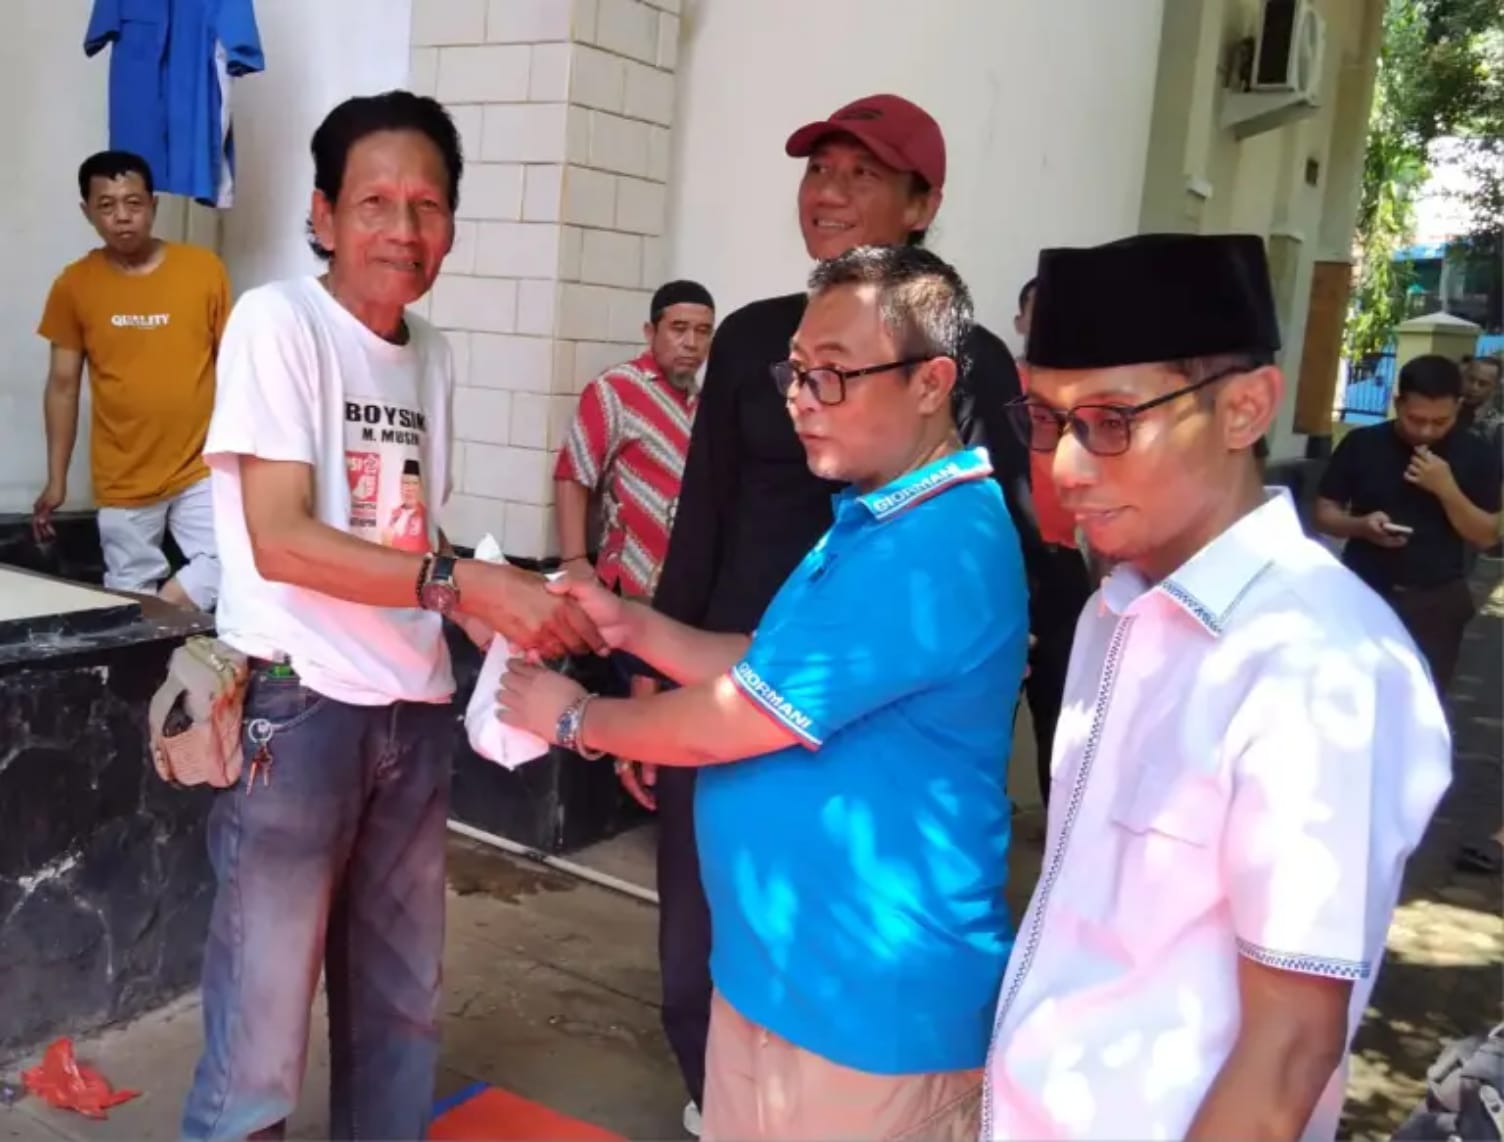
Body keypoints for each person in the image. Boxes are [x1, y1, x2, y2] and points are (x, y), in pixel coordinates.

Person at [500, 245, 1029, 1140]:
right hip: (778, 980)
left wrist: (579, 719)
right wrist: (633, 627)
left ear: (932, 382)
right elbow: (764, 667)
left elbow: (736, 719)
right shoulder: (871, 516)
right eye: (797, 371)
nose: (799, 399)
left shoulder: (935, 546)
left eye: (833, 376)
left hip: (867, 1017)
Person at [180, 91, 601, 1142]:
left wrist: (504, 616)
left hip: (412, 709)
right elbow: (281, 537)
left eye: (428, 205)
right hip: (297, 707)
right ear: (323, 214)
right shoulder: (279, 323)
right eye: (374, 202)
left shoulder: (433, 353)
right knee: (261, 1039)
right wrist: (469, 588)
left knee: (401, 1009)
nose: (404, 230)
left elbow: (407, 526)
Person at [982, 233, 1451, 1140]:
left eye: (1110, 421)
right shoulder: (1117, 611)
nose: (1067, 468)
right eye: (1046, 419)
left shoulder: (1316, 662)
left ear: (1244, 409)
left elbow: (1288, 1052)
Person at [634, 92, 1040, 1136]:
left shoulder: (959, 405)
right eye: (819, 169)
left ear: (923, 204)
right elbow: (702, 509)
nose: (829, 191)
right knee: (707, 943)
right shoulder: (755, 342)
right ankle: (717, 1092)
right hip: (735, 663)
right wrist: (644, 657)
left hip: (862, 708)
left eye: (862, 173)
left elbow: (1014, 545)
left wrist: (583, 719)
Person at [33, 149, 229, 610]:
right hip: (123, 477)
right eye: (107, 205)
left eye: (134, 202)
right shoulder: (74, 286)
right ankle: (151, 626)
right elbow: (62, 386)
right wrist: (56, 480)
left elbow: (234, 365)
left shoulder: (203, 271)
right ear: (87, 212)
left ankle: (155, 615)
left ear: (153, 205)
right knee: (128, 588)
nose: (122, 216)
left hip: (200, 465)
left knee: (233, 562)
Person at [1315, 354, 1502, 694]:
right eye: (1416, 419)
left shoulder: (1478, 455)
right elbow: (1324, 512)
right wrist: (1360, 526)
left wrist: (1446, 489)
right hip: (1362, 590)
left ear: (1458, 406)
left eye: (1440, 421)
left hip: (1436, 600)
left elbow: (1486, 536)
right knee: (1350, 693)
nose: (1427, 431)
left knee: (1421, 699)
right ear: (1399, 403)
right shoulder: (1363, 444)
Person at [554, 280, 715, 600]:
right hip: (631, 579)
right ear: (650, 332)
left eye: (703, 331)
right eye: (679, 329)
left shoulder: (706, 401)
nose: (691, 343)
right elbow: (573, 472)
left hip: (688, 581)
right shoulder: (615, 389)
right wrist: (573, 559)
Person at [1012, 275, 1093, 804]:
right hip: (1004, 561)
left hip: (1062, 566)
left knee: (1066, 718)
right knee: (984, 713)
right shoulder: (999, 383)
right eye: (1038, 313)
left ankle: (1062, 835)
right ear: (1020, 322)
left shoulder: (1093, 396)